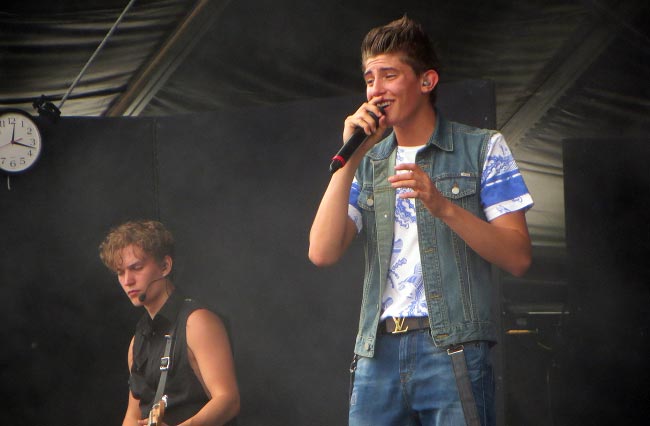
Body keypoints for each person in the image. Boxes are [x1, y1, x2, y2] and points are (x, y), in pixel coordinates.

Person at [309, 16, 533, 426]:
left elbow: (518, 257)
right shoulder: (369, 163)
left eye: (389, 75)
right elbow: (321, 252)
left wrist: (443, 206)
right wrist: (350, 158)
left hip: (453, 348)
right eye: (369, 79)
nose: (376, 90)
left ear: (427, 81)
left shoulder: (483, 147)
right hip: (376, 352)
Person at [99, 220, 239, 426]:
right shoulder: (137, 341)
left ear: (165, 266)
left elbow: (228, 400)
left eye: (136, 268)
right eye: (120, 273)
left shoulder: (197, 322)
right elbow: (132, 415)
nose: (127, 281)